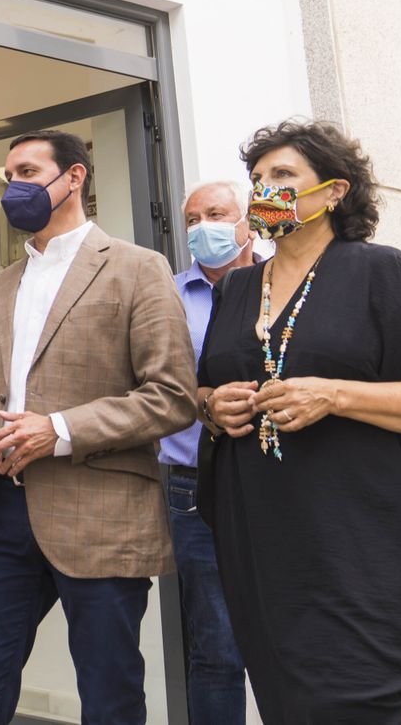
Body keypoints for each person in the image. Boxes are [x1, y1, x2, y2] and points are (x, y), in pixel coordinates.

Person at [196, 120, 401, 723]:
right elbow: (205, 387)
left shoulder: (385, 273)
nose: (263, 189)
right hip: (265, 552)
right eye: (257, 178)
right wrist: (212, 407)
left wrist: (336, 395)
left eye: (282, 176)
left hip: (362, 552)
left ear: (334, 191)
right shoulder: (238, 289)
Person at [0, 129, 197, 725]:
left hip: (101, 513)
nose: (16, 188)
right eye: (10, 177)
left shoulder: (139, 268)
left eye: (29, 173)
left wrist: (56, 429)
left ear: (75, 177)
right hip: (1, 511)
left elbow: (172, 396)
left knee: (109, 693)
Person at [160, 181, 256, 724]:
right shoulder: (168, 295)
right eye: (192, 219)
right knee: (217, 645)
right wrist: (204, 401)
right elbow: (156, 386)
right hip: (193, 482)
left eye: (215, 214)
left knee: (297, 630)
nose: (202, 227)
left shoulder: (285, 285)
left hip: (284, 480)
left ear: (246, 221)